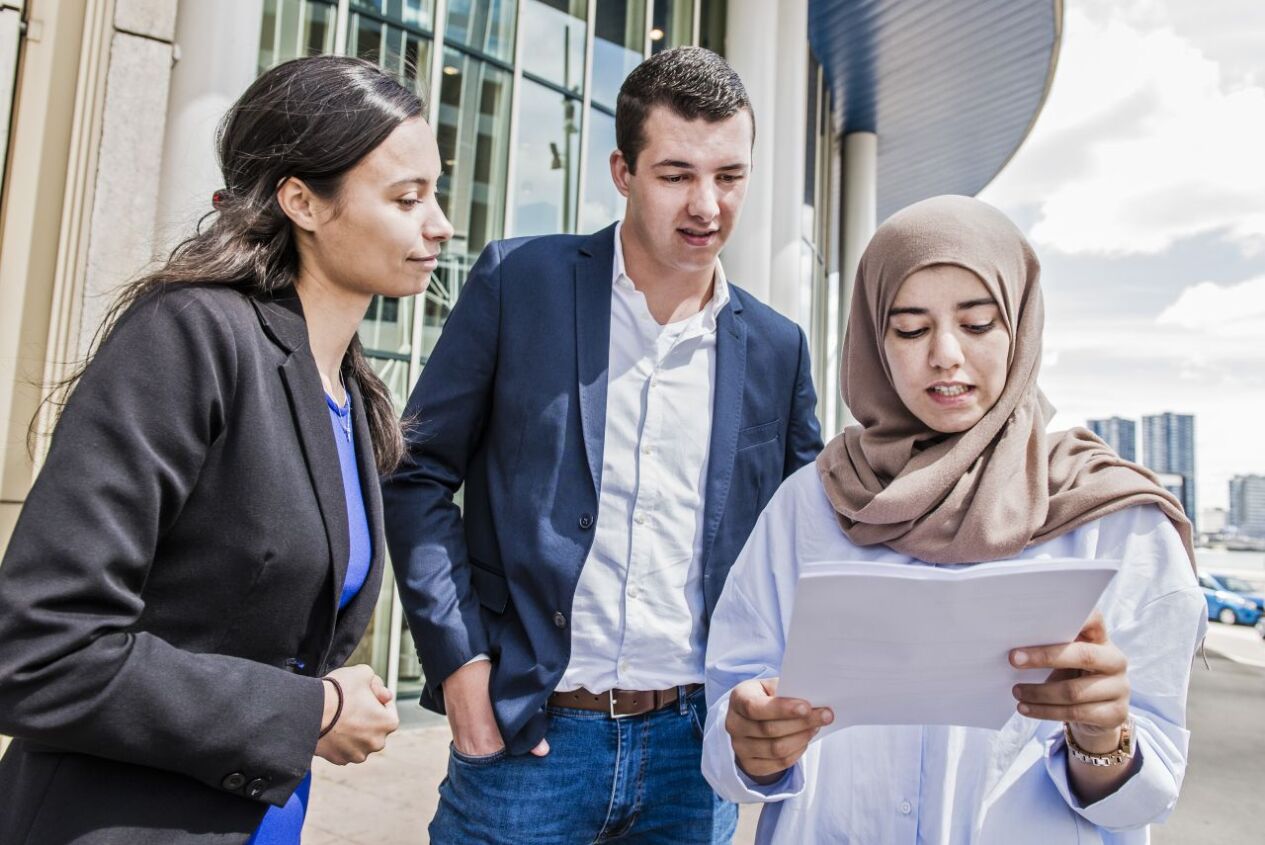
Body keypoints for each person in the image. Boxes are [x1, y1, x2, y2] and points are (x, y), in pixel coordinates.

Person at [0, 55, 453, 844]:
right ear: (302, 200)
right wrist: (308, 709)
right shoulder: (190, 337)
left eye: (435, 193)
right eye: (407, 198)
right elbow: (38, 647)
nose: (439, 223)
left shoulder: (350, 385)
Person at [383, 46, 823, 843]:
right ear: (621, 170)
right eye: (676, 174)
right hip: (531, 738)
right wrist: (459, 666)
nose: (706, 205)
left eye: (729, 176)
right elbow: (414, 472)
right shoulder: (519, 284)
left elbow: (803, 534)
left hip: (695, 753)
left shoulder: (778, 346)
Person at [701, 195, 1207, 844]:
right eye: (909, 328)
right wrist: (749, 744)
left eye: (976, 324)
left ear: (1020, 327)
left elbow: (1146, 789)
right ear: (873, 340)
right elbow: (728, 728)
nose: (943, 354)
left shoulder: (1113, 518)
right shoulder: (810, 505)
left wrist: (1104, 739)